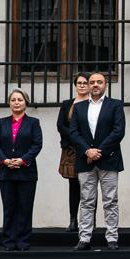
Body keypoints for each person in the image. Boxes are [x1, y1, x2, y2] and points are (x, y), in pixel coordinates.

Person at [67, 71, 125, 252]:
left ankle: (112, 238)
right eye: (92, 82)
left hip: (109, 159)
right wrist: (87, 150)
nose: (95, 85)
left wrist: (100, 151)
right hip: (86, 161)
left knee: (110, 201)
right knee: (86, 201)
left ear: (105, 84)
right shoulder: (79, 107)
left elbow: (118, 131)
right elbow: (73, 132)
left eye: (99, 82)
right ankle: (84, 238)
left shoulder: (115, 105)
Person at [0, 89, 43, 251]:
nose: (16, 102)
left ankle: (22, 241)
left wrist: (22, 160)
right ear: (9, 103)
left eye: (20, 100)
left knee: (25, 207)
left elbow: (37, 145)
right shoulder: (2, 122)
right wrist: (5, 160)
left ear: (26, 103)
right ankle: (8, 241)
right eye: (13, 100)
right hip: (6, 171)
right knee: (9, 207)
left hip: (26, 172)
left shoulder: (33, 123)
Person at [56, 73, 88, 232]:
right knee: (73, 185)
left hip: (88, 149)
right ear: (75, 85)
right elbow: (60, 125)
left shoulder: (92, 103)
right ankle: (73, 220)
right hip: (71, 149)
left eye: (85, 83)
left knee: (89, 186)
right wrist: (75, 138)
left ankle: (90, 221)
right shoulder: (67, 104)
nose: (82, 85)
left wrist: (83, 143)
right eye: (79, 83)